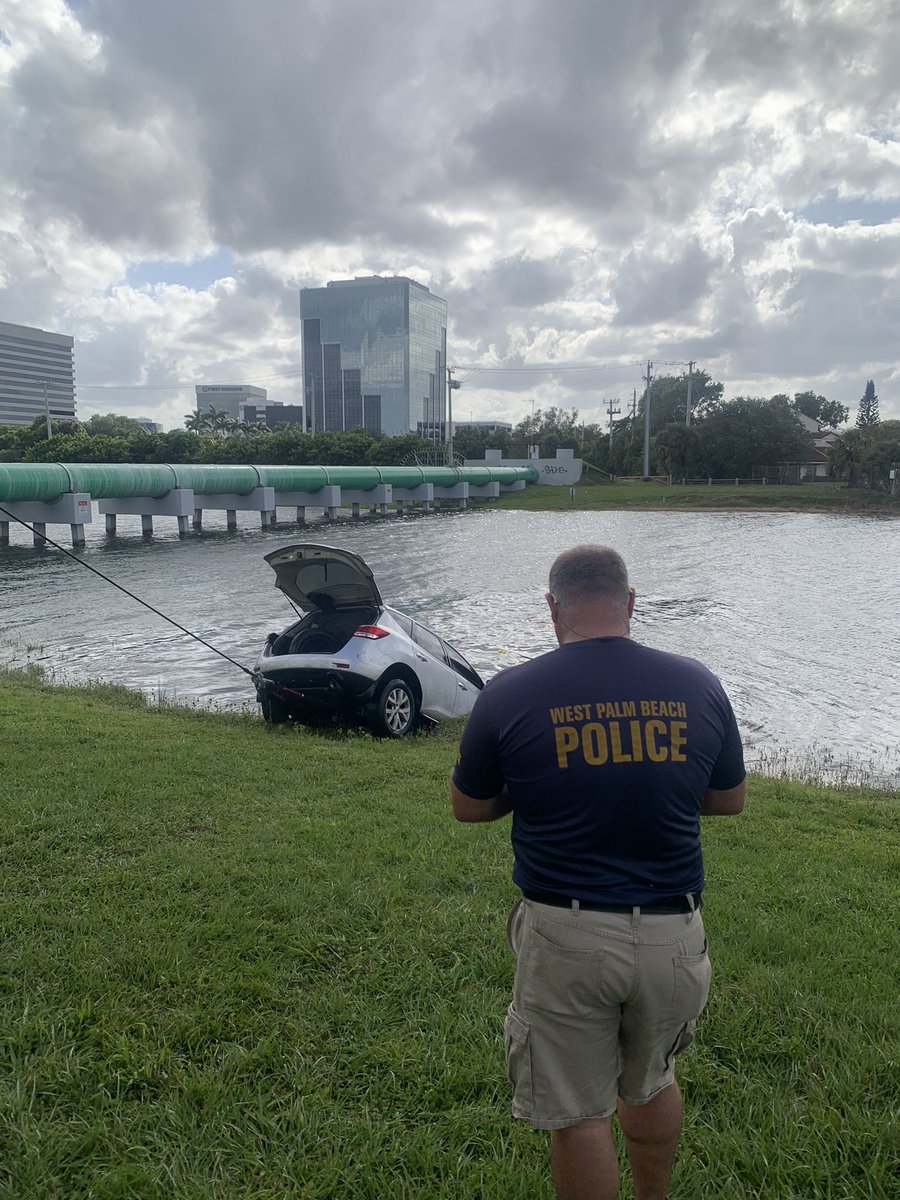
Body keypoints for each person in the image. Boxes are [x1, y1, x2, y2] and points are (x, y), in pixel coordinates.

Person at [450, 545, 746, 1200]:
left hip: (566, 935)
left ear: (553, 608)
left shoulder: (512, 690)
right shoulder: (697, 682)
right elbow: (727, 800)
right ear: (631, 603)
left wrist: (528, 791)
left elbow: (468, 806)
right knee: (653, 1080)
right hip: (674, 930)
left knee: (580, 1112)